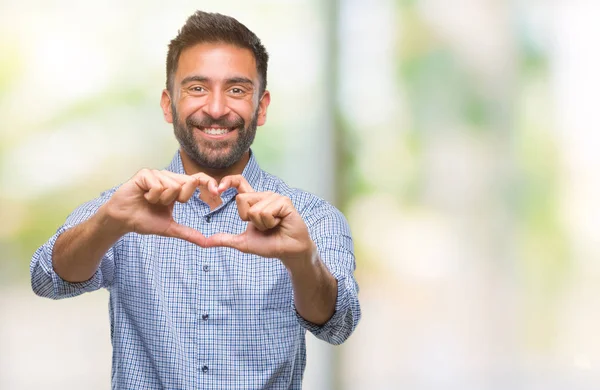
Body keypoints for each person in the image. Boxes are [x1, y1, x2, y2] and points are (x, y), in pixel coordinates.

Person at [30, 10, 360, 389]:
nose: (217, 108)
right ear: (169, 104)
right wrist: (108, 224)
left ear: (262, 106)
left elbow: (339, 324)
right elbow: (46, 277)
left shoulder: (313, 218)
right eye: (197, 88)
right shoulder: (125, 209)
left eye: (236, 89)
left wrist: (302, 260)